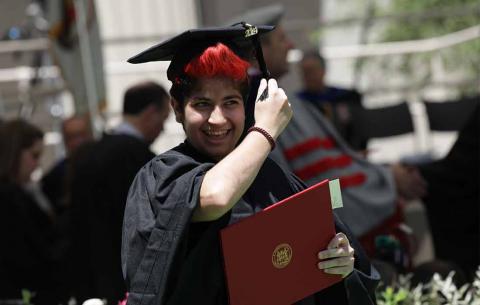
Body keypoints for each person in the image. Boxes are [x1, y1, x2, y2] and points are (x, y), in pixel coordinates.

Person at [122, 24, 379, 305]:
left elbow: (319, 261)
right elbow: (215, 196)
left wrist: (338, 262)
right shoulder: (162, 174)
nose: (217, 119)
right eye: (202, 104)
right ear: (176, 108)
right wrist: (266, 129)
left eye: (230, 102)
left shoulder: (270, 174)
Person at [228, 5, 427, 266]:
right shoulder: (265, 105)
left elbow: (326, 164)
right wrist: (386, 179)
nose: (290, 46)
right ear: (258, 52)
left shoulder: (280, 99)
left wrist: (375, 168)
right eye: (282, 39)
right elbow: (316, 184)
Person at [67, 81, 170, 303]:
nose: (163, 128)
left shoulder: (89, 153)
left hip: (88, 278)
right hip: (124, 282)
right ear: (151, 113)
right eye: (163, 119)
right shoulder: (140, 160)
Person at [0, 119, 60, 304]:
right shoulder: (9, 197)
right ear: (14, 152)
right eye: (34, 156)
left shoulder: (17, 194)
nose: (36, 165)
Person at [298, 51, 365, 150]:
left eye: (312, 71)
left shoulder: (346, 97)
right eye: (305, 72)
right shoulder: (297, 103)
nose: (308, 76)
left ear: (323, 70)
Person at [41, 115, 93, 214]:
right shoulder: (53, 177)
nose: (78, 142)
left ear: (90, 135)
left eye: (81, 135)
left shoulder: (105, 166)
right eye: (71, 137)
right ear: (65, 141)